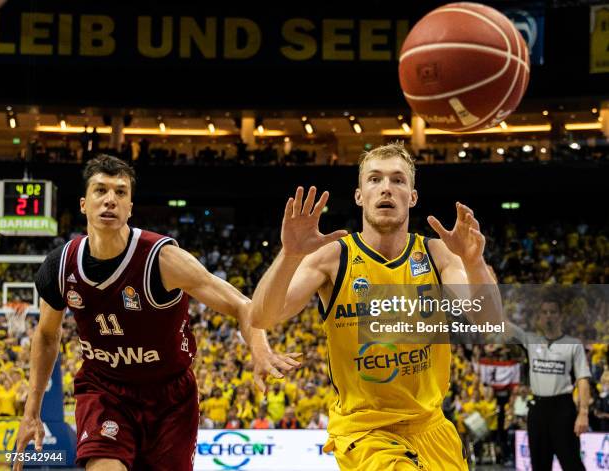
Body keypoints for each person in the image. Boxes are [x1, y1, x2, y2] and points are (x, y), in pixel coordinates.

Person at [15, 154, 300, 471]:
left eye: (120, 192)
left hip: (169, 398)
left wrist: (259, 349)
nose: (110, 200)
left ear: (130, 207)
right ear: (83, 204)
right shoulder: (60, 265)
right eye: (101, 190)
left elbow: (240, 304)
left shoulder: (162, 259)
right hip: (105, 390)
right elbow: (45, 335)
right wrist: (32, 411)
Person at [251, 142, 499, 470]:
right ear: (359, 195)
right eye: (375, 179)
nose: (386, 188)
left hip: (432, 428)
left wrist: (474, 262)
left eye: (398, 180)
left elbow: (490, 321)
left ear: (412, 197)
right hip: (365, 430)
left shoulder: (438, 255)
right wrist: (289, 255)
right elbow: (263, 316)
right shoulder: (332, 258)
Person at [508, 297, 591, 471]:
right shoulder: (530, 340)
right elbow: (501, 322)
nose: (548, 316)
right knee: (539, 464)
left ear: (560, 316)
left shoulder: (573, 345)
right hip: (538, 408)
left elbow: (583, 379)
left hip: (563, 408)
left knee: (571, 463)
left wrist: (583, 412)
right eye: (544, 312)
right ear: (539, 317)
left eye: (553, 312)